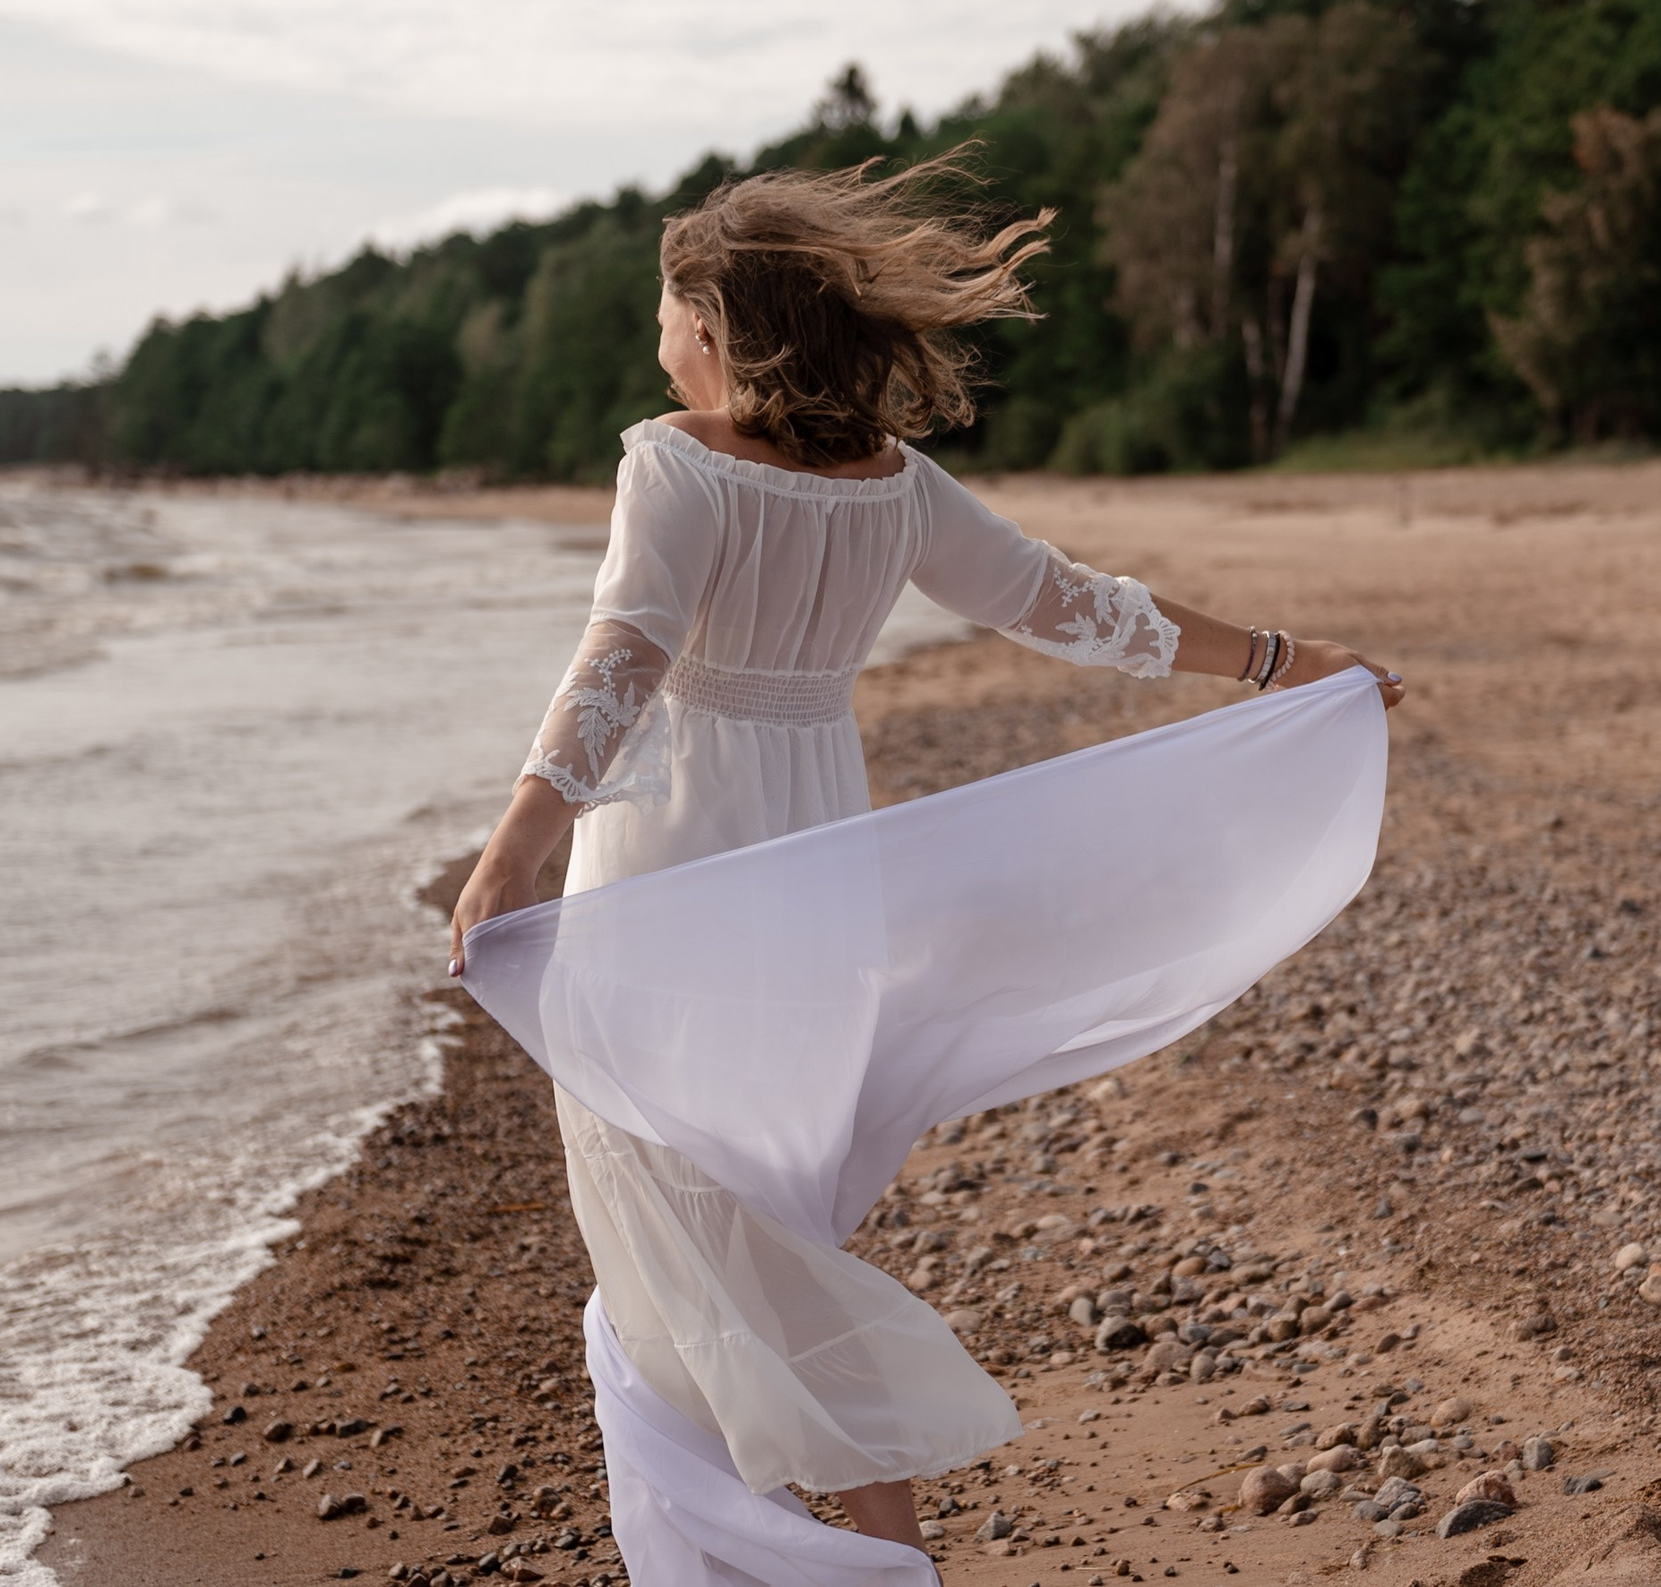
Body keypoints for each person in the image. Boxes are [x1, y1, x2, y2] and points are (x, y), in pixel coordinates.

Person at [445, 153, 1402, 1571]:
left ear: (715, 329)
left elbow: (623, 662)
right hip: (822, 867)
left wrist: (515, 842)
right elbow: (1068, 603)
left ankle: (782, 1554)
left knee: (672, 1209)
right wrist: (1283, 662)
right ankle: (877, 1549)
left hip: (675, 864)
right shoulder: (890, 485)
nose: (655, 338)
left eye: (665, 310)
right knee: (767, 1216)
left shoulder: (675, 462)